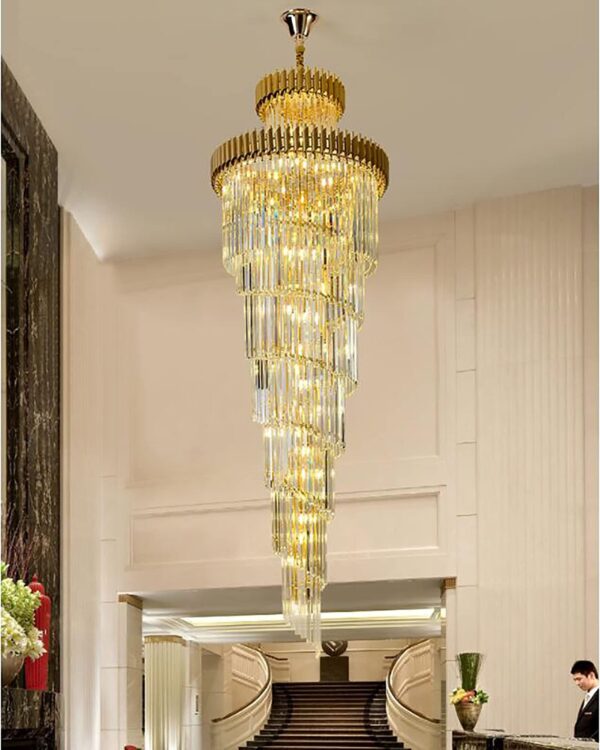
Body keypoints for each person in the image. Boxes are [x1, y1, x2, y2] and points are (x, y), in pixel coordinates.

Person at [571, 660, 599, 740]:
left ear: (591, 675)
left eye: (579, 679)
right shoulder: (589, 696)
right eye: (575, 680)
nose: (577, 683)